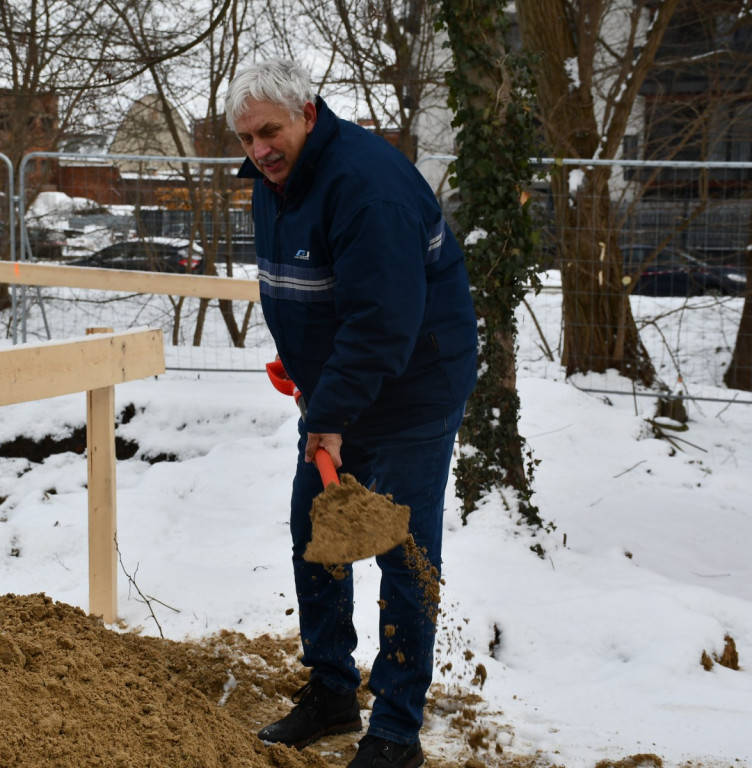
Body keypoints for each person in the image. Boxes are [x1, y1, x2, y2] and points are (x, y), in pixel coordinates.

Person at [224, 59, 478, 768]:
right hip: (341, 388)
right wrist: (303, 369)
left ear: (308, 112)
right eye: (246, 138)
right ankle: (332, 691)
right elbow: (302, 286)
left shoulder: (368, 187)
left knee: (403, 551)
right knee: (318, 530)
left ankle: (397, 727)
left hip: (412, 389)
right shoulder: (273, 184)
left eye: (270, 131)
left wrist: (329, 409)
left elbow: (382, 322)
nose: (259, 149)